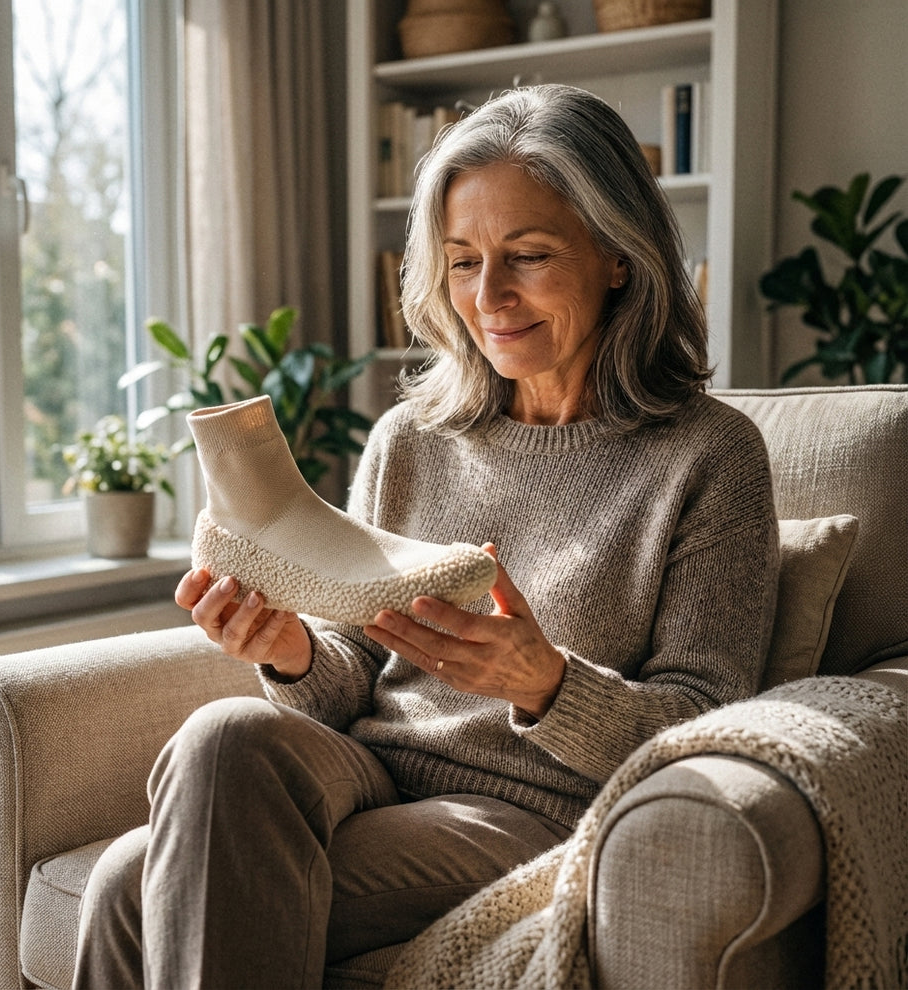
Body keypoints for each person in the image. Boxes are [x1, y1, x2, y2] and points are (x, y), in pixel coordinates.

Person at [73, 84, 779, 989]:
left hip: (530, 809)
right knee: (222, 732)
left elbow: (706, 726)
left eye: (527, 255)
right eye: (461, 262)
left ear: (618, 257)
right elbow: (351, 674)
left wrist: (545, 682)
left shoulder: (709, 456)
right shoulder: (410, 439)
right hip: (367, 768)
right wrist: (292, 654)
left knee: (131, 890)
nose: (490, 297)